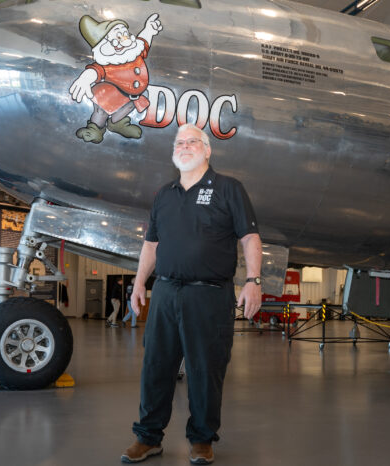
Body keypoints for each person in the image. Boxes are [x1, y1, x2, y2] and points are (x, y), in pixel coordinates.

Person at [121, 124, 263, 464]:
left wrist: (254, 280)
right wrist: (140, 282)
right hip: (166, 292)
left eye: (192, 142)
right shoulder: (164, 194)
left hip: (210, 295)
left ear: (207, 150)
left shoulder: (229, 189)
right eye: (179, 142)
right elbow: (151, 244)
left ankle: (201, 438)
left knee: (205, 369)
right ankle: (148, 437)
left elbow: (249, 238)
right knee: (156, 366)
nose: (185, 147)